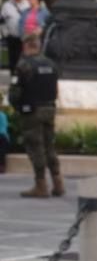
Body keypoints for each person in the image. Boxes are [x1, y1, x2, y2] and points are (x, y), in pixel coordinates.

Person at [12, 34, 61, 198]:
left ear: (26, 46)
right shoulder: (51, 64)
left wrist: (17, 106)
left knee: (35, 147)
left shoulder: (24, 65)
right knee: (49, 146)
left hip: (32, 110)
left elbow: (15, 93)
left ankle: (41, 185)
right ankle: (57, 182)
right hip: (49, 108)